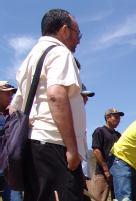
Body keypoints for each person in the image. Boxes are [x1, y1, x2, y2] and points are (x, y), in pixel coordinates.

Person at [10, 9, 86, 201]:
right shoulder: (60, 52)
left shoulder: (30, 59)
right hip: (55, 145)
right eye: (78, 33)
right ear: (64, 30)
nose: (78, 40)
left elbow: (14, 107)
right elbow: (56, 96)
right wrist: (71, 149)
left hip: (34, 147)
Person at [91, 108, 124, 201]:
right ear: (108, 117)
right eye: (116, 117)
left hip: (116, 174)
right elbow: (96, 150)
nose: (118, 120)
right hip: (102, 173)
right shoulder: (99, 131)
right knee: (99, 198)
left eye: (119, 118)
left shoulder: (118, 135)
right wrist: (105, 170)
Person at [0, 81, 23, 201]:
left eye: (11, 94)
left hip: (10, 170)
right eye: (7, 94)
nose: (11, 97)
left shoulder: (12, 116)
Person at [79, 83, 95, 201]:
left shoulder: (81, 117)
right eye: (83, 96)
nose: (86, 99)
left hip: (81, 172)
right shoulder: (66, 116)